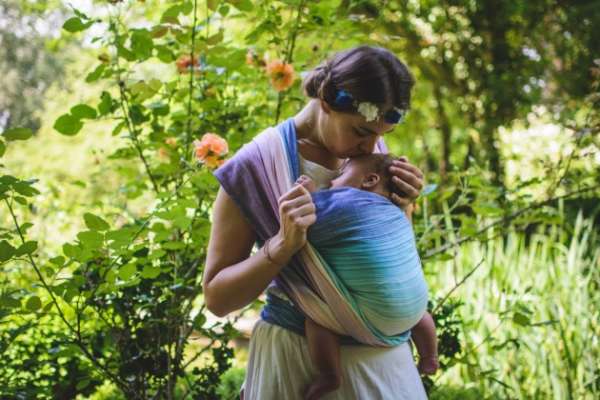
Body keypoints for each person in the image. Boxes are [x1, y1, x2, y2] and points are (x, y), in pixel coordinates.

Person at [204, 45, 427, 399]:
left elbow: (381, 260)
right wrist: (280, 247)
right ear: (326, 100)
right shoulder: (254, 167)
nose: (373, 145)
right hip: (299, 362)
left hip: (383, 361)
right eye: (360, 131)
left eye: (380, 134)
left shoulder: (373, 158)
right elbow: (217, 298)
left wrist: (401, 208)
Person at [295, 153, 438, 400]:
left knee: (315, 318)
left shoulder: (345, 203)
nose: (331, 183)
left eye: (340, 176)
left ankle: (329, 375)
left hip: (377, 314)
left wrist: (306, 194)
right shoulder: (397, 210)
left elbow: (306, 222)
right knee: (422, 315)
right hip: (414, 309)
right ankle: (429, 357)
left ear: (369, 180)